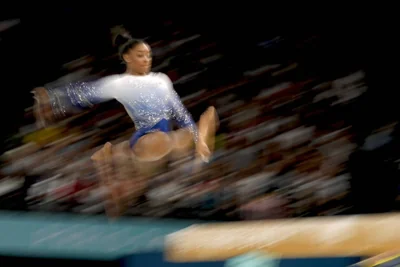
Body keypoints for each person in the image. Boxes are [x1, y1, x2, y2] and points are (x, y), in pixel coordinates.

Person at [32, 27, 218, 216]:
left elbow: (180, 112)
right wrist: (51, 97)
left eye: (148, 55)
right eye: (140, 55)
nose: (146, 60)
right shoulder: (119, 84)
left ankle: (117, 165)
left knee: (209, 115)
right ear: (128, 58)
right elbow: (83, 92)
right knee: (163, 141)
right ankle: (116, 171)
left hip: (163, 141)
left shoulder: (162, 80)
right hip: (146, 141)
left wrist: (199, 139)